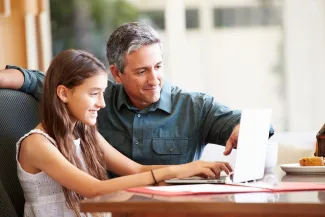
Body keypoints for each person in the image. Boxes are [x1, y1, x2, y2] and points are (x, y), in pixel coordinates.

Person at [0, 22, 274, 168]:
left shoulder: (194, 106)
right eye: (142, 71)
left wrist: (244, 128)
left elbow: (255, 125)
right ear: (116, 74)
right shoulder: (95, 103)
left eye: (158, 67)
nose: (154, 79)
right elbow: (40, 81)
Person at [16, 49, 232, 217]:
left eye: (102, 94)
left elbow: (135, 169)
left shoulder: (84, 133)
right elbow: (94, 189)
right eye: (93, 94)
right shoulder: (37, 144)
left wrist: (190, 172)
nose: (101, 104)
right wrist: (174, 172)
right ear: (63, 93)